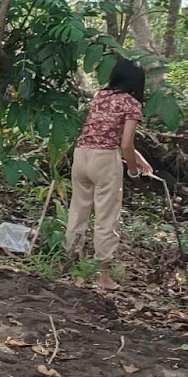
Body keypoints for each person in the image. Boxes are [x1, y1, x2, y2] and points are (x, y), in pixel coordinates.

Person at [63, 59, 152, 290]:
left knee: (78, 210)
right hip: (105, 160)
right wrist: (133, 170)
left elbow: (102, 132)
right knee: (106, 217)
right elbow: (125, 143)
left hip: (82, 155)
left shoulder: (100, 96)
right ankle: (103, 276)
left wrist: (137, 157)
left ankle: (69, 264)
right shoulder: (132, 104)